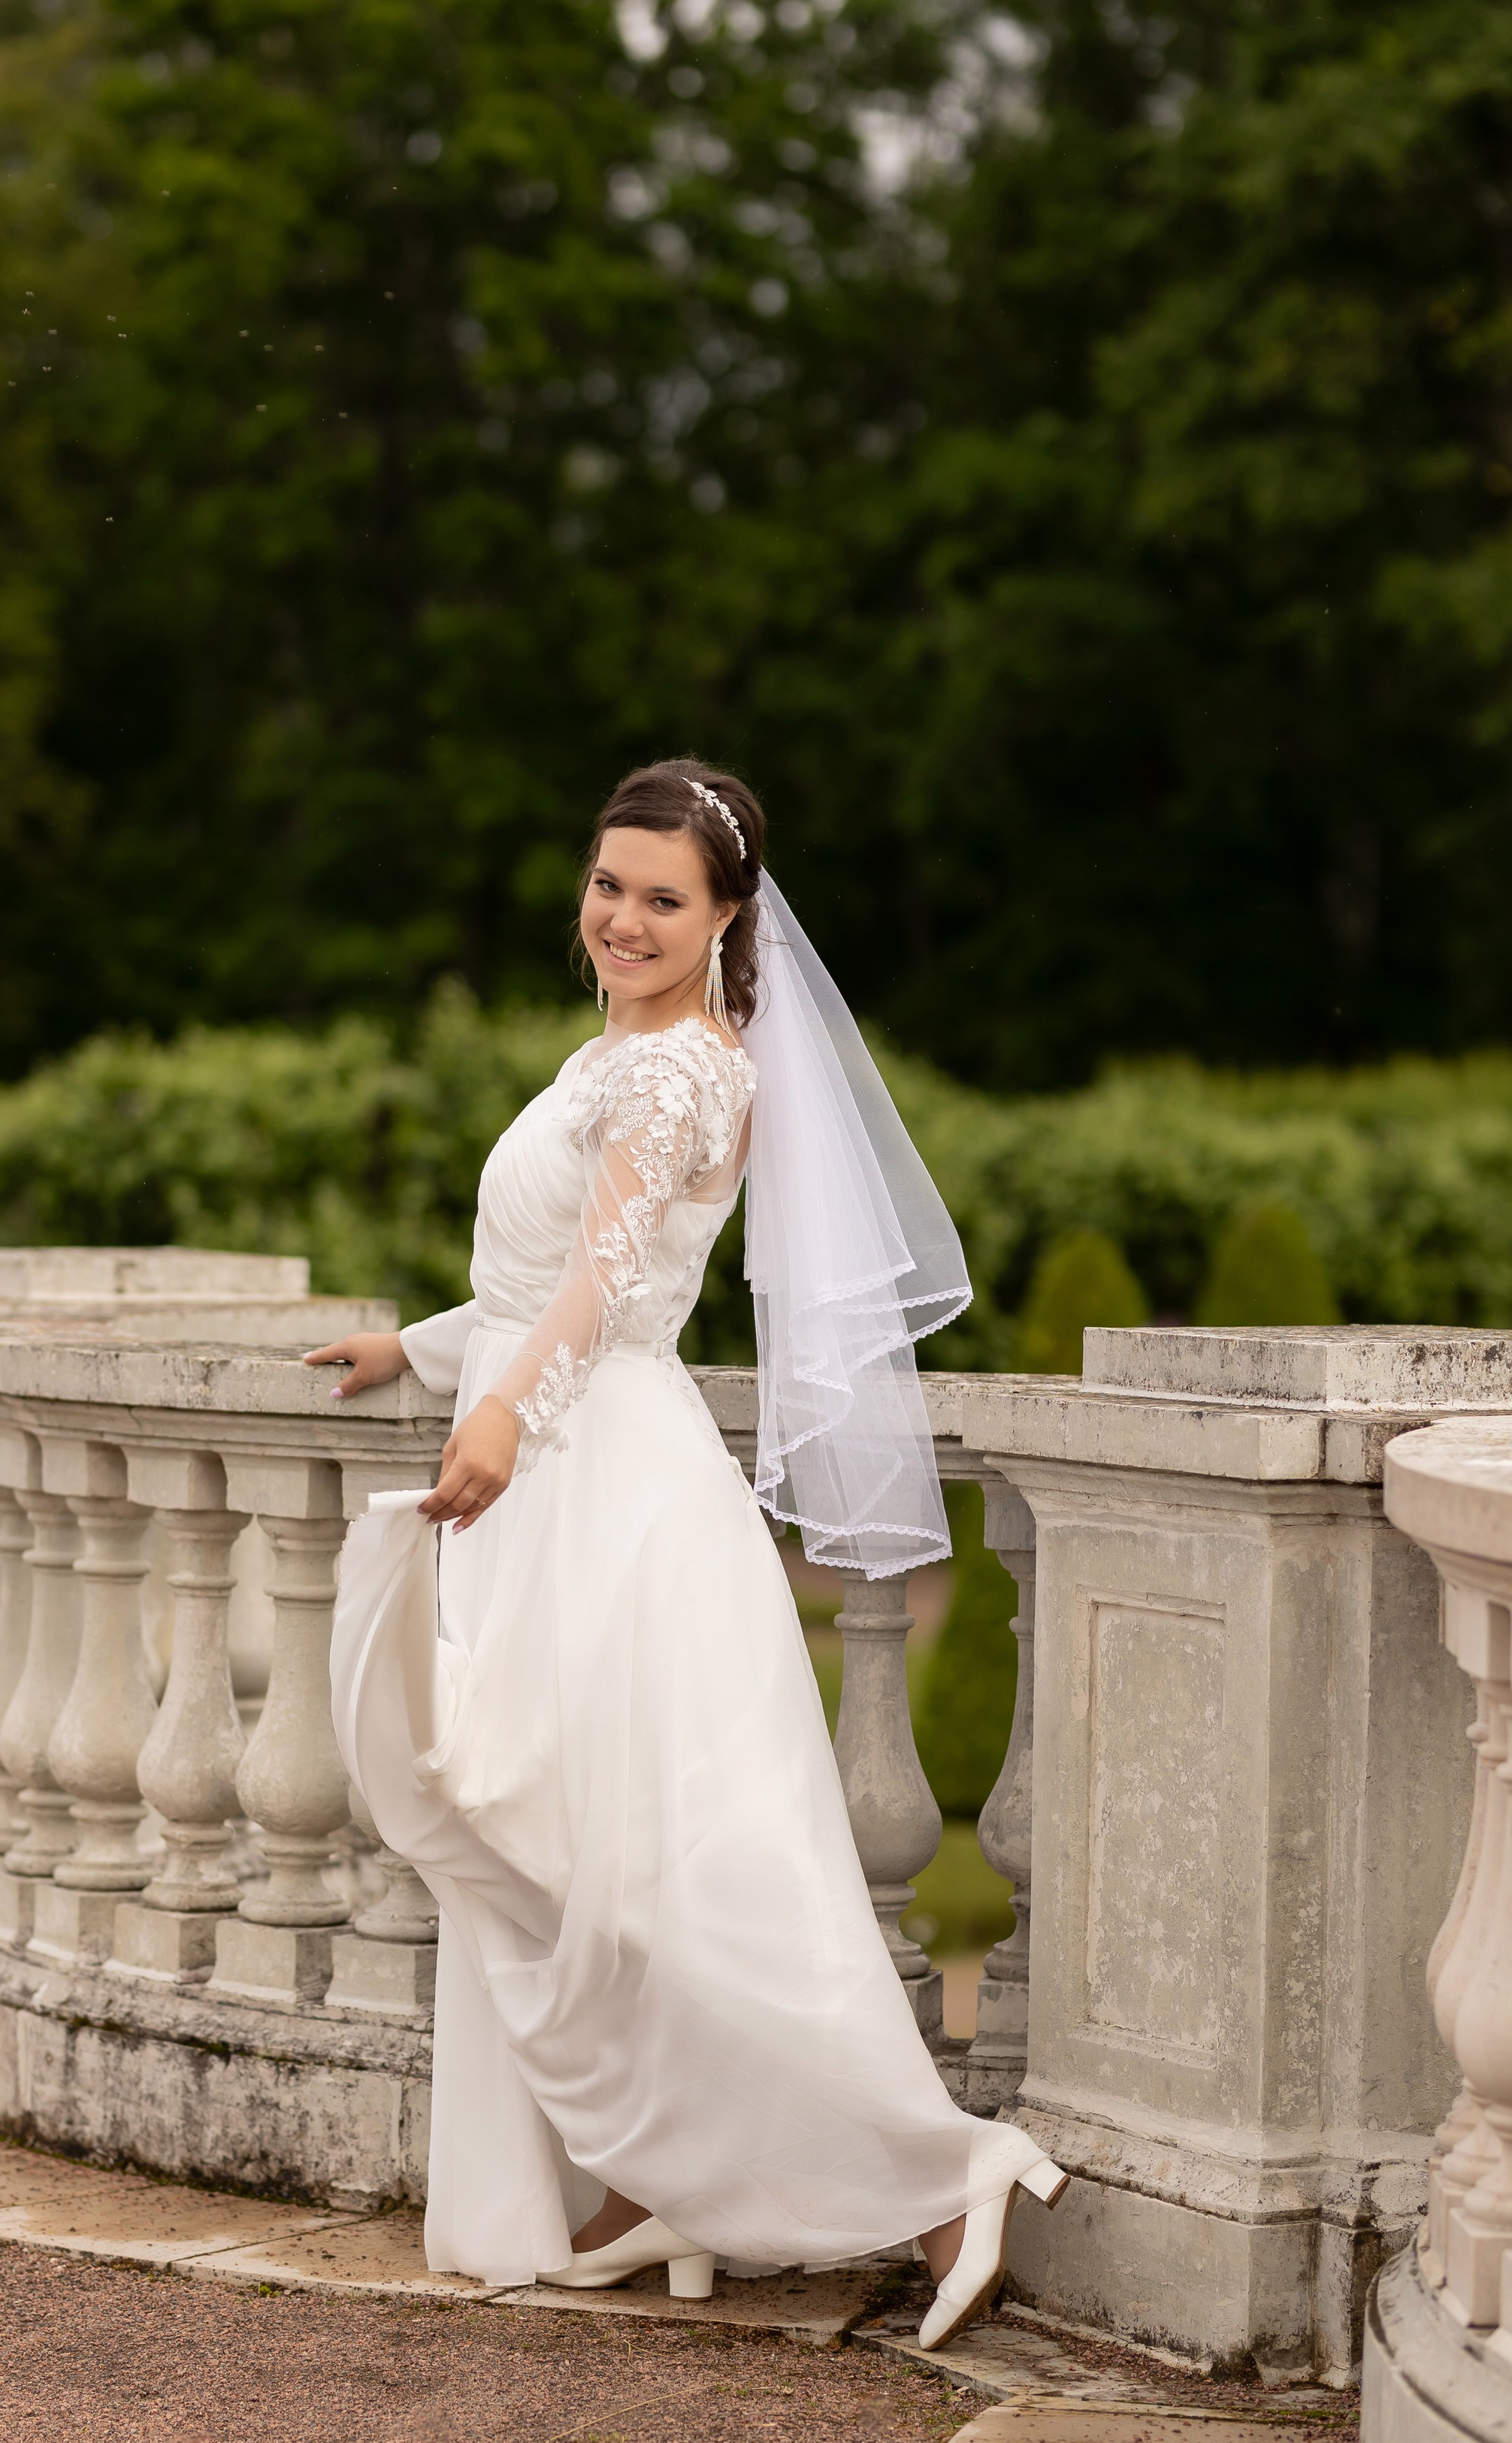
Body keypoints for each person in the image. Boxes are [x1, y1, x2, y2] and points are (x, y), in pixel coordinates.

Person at [307, 758, 1064, 2348]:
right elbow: (557, 1283)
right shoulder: (624, 1055)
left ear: (728, 919)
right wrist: (423, 1351)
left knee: (657, 1874)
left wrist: (503, 1414)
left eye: (663, 899)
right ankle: (655, 2178)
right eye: (607, 888)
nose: (623, 921)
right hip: (566, 1459)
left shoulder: (676, 1076)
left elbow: (599, 1290)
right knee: (570, 1853)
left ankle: (940, 2183)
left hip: (601, 1487)